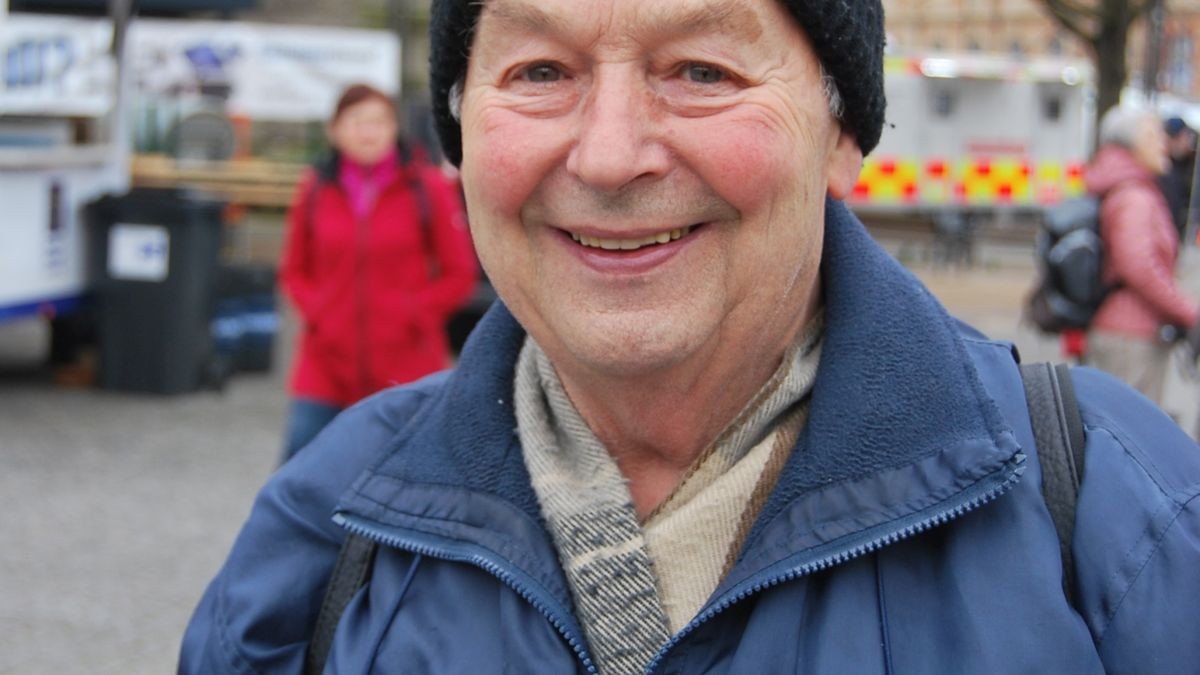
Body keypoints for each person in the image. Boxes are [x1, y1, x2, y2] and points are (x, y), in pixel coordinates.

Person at [181, 1, 1200, 672]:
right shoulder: (330, 534)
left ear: (842, 135)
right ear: (461, 136)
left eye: (701, 70)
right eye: (541, 70)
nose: (613, 153)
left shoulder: (1113, 512)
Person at [277, 84, 477, 461]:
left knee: (408, 479)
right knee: (299, 473)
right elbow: (293, 271)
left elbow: (459, 274)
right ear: (335, 130)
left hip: (405, 365)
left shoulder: (426, 187)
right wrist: (320, 313)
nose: (368, 132)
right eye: (357, 122)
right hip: (325, 365)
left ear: (393, 129)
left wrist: (413, 314)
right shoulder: (315, 189)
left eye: (378, 122)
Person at [1085, 106, 1200, 407]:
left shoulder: (1125, 188)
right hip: (1131, 337)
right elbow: (1140, 267)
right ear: (1131, 143)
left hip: (1125, 331)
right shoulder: (1136, 197)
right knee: (1130, 438)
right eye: (1152, 134)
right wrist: (1188, 312)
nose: (1162, 141)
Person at [1159, 116, 1197, 242]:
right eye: (1183, 137)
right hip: (1167, 232)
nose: (1187, 142)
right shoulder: (1162, 168)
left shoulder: (1189, 163)